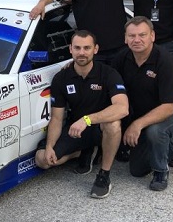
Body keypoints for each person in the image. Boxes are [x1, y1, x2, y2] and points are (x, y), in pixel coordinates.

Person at [34, 30, 129, 199]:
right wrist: (49, 146)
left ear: (96, 49)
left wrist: (87, 119)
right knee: (42, 160)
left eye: (87, 48)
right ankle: (83, 152)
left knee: (113, 124)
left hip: (100, 129)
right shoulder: (61, 78)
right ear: (70, 49)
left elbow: (122, 108)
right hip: (76, 130)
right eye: (77, 48)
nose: (82, 53)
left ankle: (104, 175)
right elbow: (56, 118)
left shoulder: (108, 73)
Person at [111, 17, 173, 191]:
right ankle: (169, 147)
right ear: (125, 38)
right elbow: (104, 78)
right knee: (137, 170)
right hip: (142, 115)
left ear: (152, 36)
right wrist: (73, 66)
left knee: (156, 131)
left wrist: (137, 125)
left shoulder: (166, 62)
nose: (137, 40)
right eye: (132, 36)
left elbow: (168, 108)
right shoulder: (121, 58)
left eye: (142, 35)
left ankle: (161, 171)